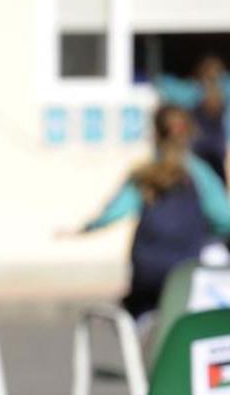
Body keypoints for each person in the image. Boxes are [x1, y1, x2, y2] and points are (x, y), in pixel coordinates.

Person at [62, 105, 230, 319]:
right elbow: (224, 218)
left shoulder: (143, 174)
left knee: (142, 323)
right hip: (185, 272)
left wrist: (83, 229)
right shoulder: (198, 173)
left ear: (155, 133)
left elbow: (114, 212)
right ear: (189, 133)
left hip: (146, 273)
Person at [155, 55, 230, 185]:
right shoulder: (218, 92)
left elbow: (162, 84)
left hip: (202, 150)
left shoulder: (192, 93)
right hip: (213, 151)